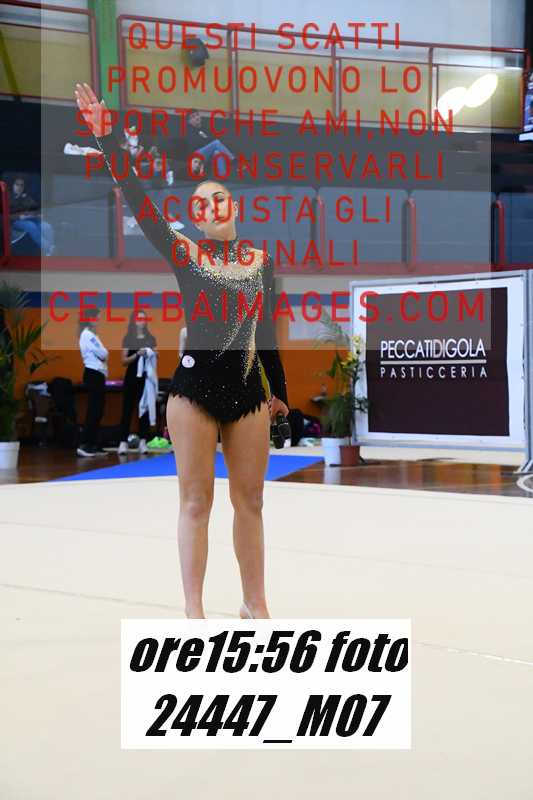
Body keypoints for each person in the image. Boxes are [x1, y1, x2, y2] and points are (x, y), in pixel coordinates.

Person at [76, 82, 289, 619]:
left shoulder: (261, 263)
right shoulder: (187, 254)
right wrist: (108, 141)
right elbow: (141, 203)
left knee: (252, 501)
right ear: (195, 218)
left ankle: (255, 602)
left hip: (248, 394)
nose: (212, 205)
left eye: (219, 197)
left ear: (233, 205)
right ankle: (194, 610)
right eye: (201, 203)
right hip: (193, 394)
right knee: (196, 502)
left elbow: (265, 333)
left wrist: (280, 393)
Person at [118, 309, 158, 455]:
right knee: (127, 410)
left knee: (144, 410)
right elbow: (123, 361)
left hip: (146, 379)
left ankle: (143, 442)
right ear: (134, 321)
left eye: (143, 318)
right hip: (131, 378)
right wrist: (137, 354)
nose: (141, 321)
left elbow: (155, 355)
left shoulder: (150, 338)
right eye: (139, 318)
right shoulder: (128, 338)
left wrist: (153, 354)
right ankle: (123, 442)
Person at [77, 306, 109, 457]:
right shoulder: (87, 335)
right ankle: (85, 444)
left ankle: (93, 444)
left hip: (98, 374)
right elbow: (103, 353)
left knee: (98, 410)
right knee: (94, 410)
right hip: (93, 374)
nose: (98, 320)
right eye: (96, 317)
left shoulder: (92, 335)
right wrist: (104, 354)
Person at [9, 176, 55, 256]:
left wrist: (37, 214)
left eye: (21, 185)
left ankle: (50, 250)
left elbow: (36, 209)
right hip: (15, 221)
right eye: (17, 184)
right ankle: (49, 248)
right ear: (13, 185)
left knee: (47, 227)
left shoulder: (26, 197)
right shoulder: (8, 197)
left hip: (30, 218)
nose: (19, 187)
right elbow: (6, 215)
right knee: (31, 226)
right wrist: (19, 217)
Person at [185, 109, 235, 175]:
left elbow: (212, 139)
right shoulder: (189, 131)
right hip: (195, 156)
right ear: (189, 121)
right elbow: (197, 143)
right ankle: (233, 160)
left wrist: (207, 140)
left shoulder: (205, 129)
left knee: (217, 153)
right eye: (193, 117)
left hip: (206, 154)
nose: (196, 117)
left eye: (197, 115)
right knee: (216, 143)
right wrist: (207, 140)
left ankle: (222, 175)